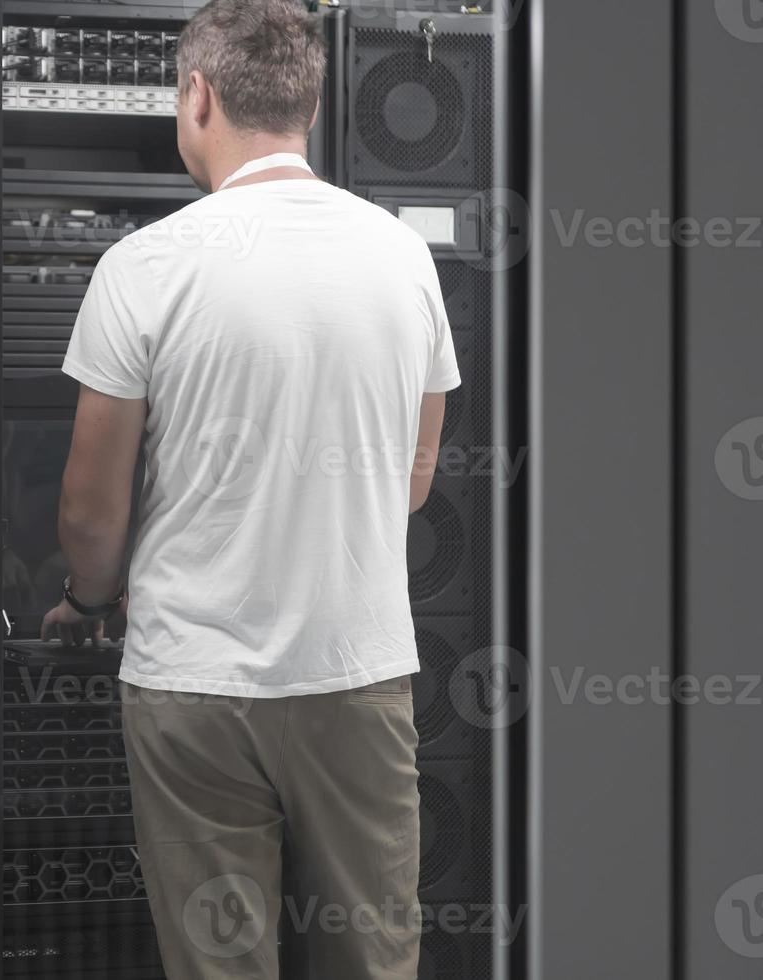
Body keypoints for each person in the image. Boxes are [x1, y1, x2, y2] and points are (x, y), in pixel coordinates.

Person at [38, 0, 460, 976]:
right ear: (310, 102)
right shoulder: (402, 256)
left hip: (193, 684)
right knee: (374, 957)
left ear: (197, 95)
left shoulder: (143, 265)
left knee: (220, 962)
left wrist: (89, 599)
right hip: (357, 671)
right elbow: (416, 475)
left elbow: (90, 511)